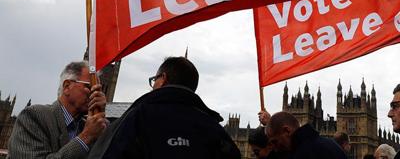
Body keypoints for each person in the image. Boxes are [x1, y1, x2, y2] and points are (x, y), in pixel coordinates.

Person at [88, 56, 241, 158]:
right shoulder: (215, 130)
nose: (153, 85)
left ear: (163, 79)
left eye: (154, 79)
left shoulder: (137, 118)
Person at [8, 61, 107, 159]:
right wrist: (86, 137)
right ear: (67, 87)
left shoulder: (92, 127)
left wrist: (99, 118)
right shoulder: (33, 116)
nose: (96, 94)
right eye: (90, 87)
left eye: (98, 90)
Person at [265, 111, 345, 159]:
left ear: (287, 131)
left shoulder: (303, 154)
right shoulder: (329, 144)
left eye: (275, 141)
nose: (275, 149)